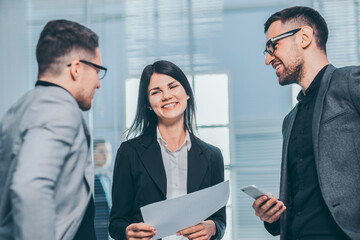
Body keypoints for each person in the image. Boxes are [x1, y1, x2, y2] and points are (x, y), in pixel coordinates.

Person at [252, 6, 360, 240]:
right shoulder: (289, 120)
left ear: (304, 37)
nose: (268, 59)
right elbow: (301, 196)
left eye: (273, 46)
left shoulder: (349, 83)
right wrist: (273, 216)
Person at [0, 19, 107, 240]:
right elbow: (30, 188)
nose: (98, 83)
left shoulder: (20, 108)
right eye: (97, 70)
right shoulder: (59, 109)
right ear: (77, 69)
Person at [109, 60, 226, 240]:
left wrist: (212, 228)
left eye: (173, 87)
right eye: (156, 92)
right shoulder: (129, 152)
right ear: (148, 103)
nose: (167, 96)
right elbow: (117, 222)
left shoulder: (213, 156)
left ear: (187, 93)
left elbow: (219, 220)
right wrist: (127, 232)